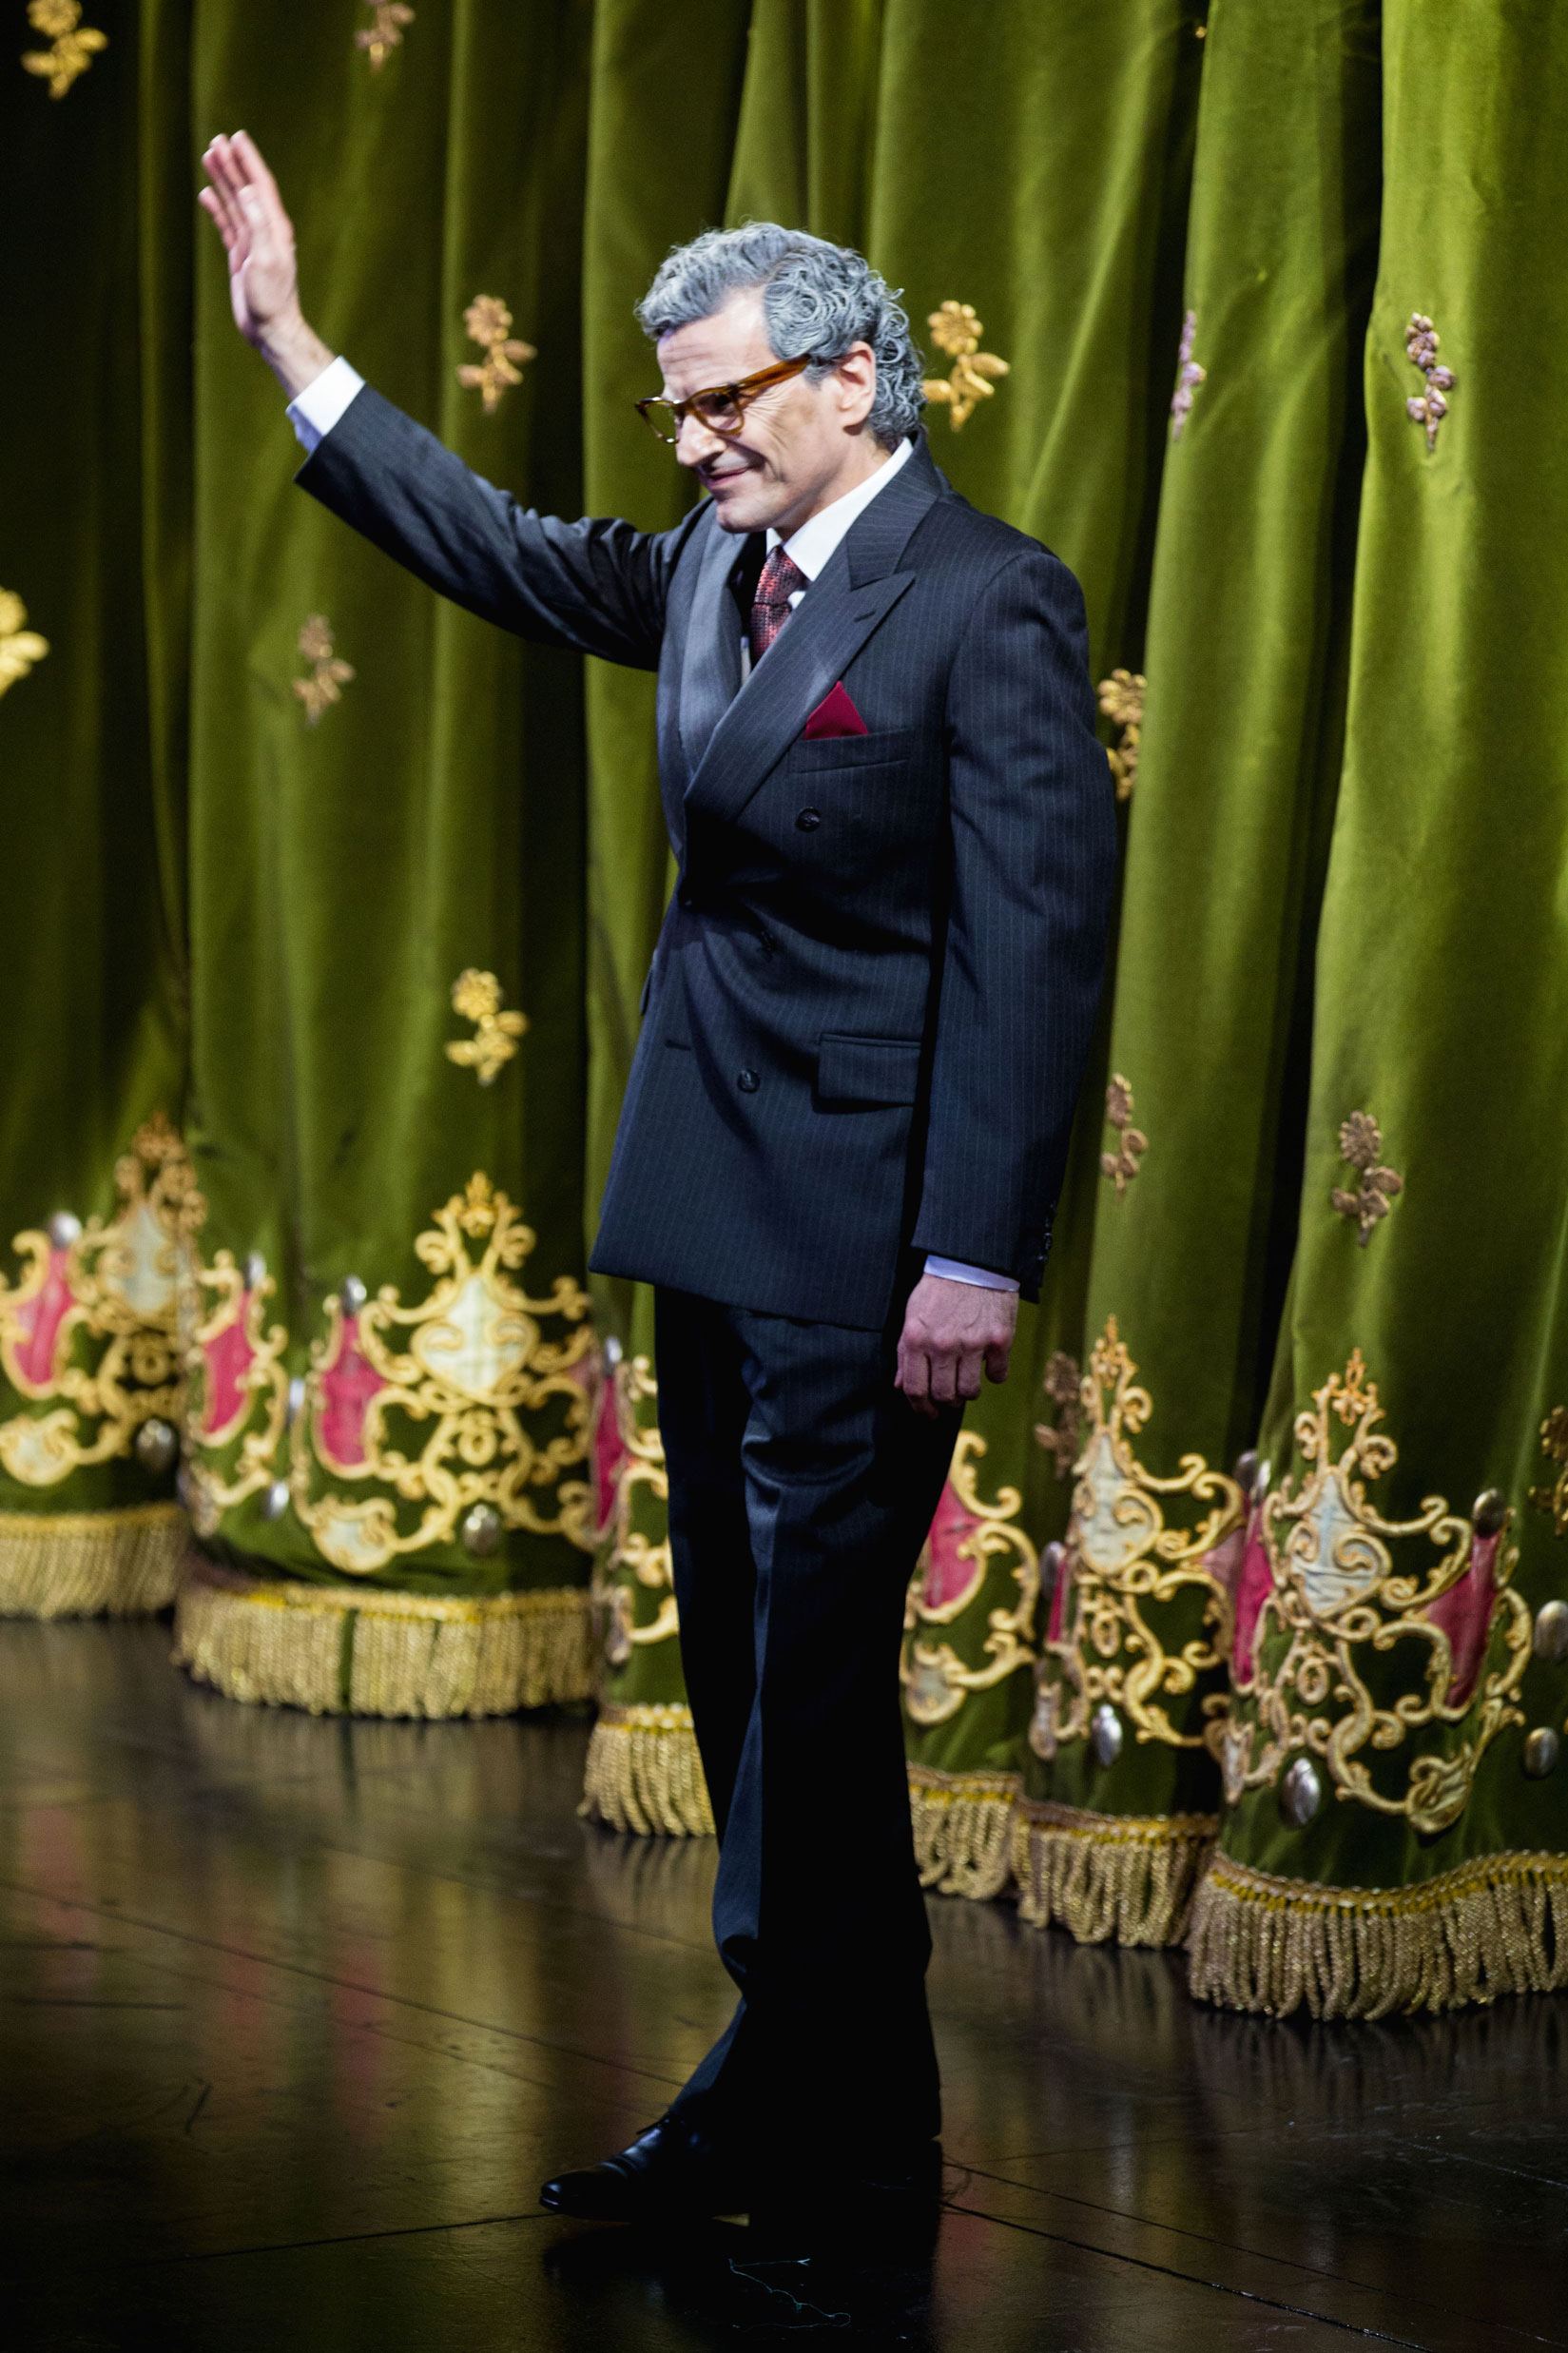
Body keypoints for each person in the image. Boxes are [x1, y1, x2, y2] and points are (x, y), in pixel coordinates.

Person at [199, 131, 1116, 2225]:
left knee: (808, 1690)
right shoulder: (712, 562)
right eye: (675, 410)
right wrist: (295, 350)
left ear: (855, 377)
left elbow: (1036, 950)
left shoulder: (989, 596)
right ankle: (827, 2104)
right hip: (710, 1205)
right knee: (747, 1672)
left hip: (867, 1245)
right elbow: (505, 548)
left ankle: (803, 2119)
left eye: (728, 401)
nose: (695, 442)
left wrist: (974, 1251)